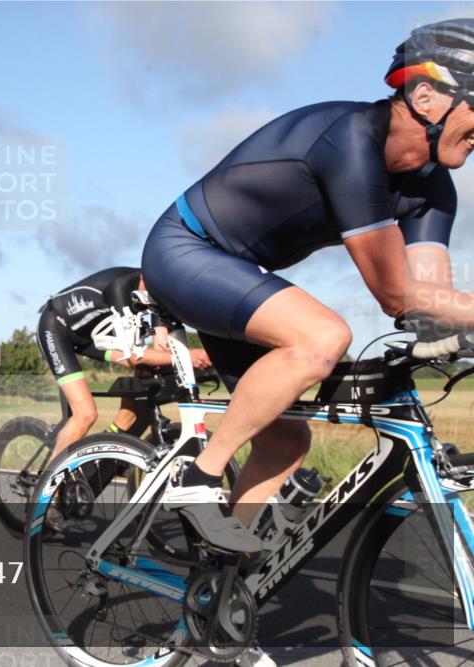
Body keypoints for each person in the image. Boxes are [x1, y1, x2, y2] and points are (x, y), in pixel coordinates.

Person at [141, 19, 474, 553]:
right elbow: (395, 294)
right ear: (427, 96)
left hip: (240, 276)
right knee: (323, 336)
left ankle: (213, 593)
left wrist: (446, 328)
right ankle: (197, 478)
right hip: (186, 249)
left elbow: (427, 299)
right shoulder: (350, 140)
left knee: (284, 440)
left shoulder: (435, 190)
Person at [37, 266, 211, 462]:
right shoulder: (121, 289)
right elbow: (136, 355)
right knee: (85, 414)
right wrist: (188, 356)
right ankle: (50, 486)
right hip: (57, 329)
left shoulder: (156, 295)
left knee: (148, 374)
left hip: (92, 337)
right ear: (145, 277)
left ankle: (113, 441)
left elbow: (161, 348)